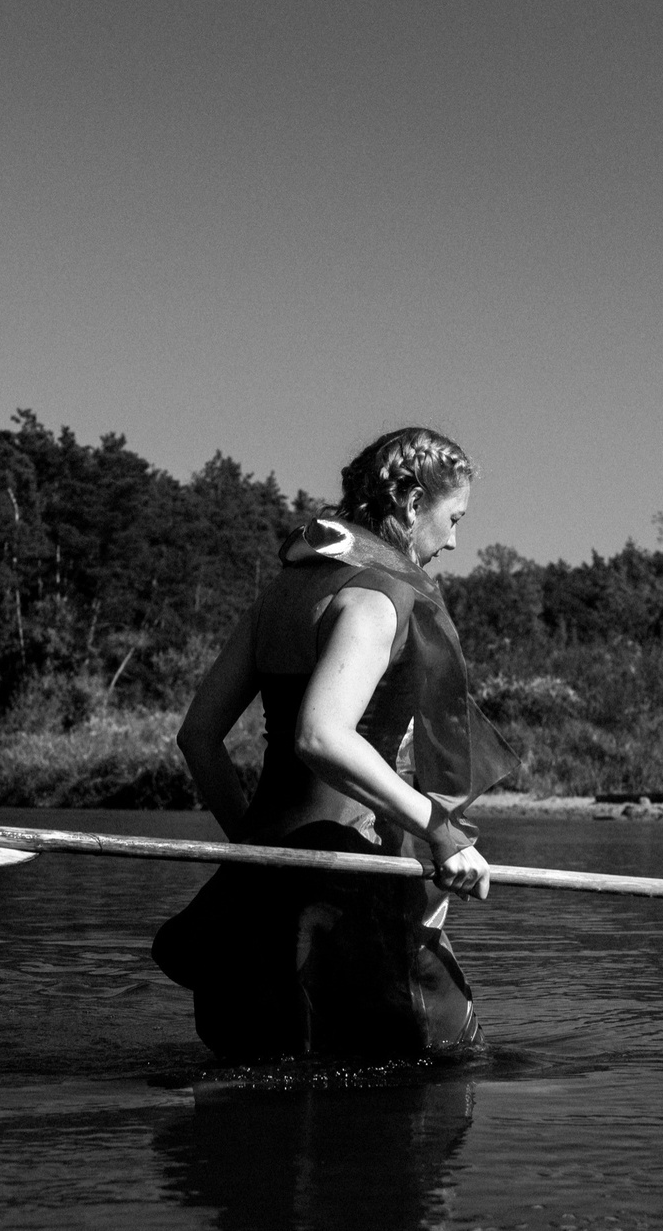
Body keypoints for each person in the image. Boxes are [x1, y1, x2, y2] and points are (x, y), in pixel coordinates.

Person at [154, 427, 516, 1062]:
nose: (454, 540)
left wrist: (251, 847)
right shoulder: (379, 597)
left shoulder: (283, 592)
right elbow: (322, 736)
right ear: (410, 505)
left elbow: (197, 738)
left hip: (262, 884)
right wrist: (441, 828)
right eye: (453, 518)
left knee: (255, 1106)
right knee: (445, 1069)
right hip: (354, 885)